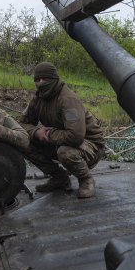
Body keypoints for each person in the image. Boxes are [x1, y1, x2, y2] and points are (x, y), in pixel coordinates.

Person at [19, 62, 105, 198]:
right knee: (22, 142)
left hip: (90, 145)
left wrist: (48, 134)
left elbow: (75, 136)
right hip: (60, 140)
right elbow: (21, 124)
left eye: (45, 79)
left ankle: (86, 179)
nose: (40, 83)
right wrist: (36, 133)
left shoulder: (68, 100)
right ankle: (59, 177)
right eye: (37, 79)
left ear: (54, 79)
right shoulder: (38, 99)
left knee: (65, 152)